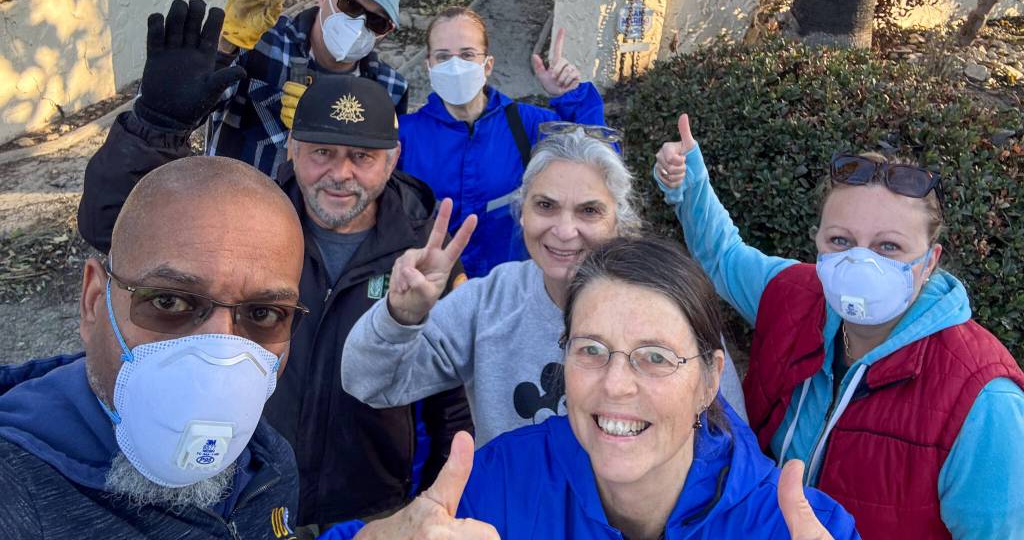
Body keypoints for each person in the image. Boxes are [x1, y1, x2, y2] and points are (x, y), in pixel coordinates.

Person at [77, 0, 471, 530]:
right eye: (321, 154)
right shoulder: (245, 224)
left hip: (371, 504)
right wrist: (155, 127)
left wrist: (438, 499)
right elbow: (110, 227)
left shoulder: (426, 253)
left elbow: (451, 402)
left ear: (393, 160)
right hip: (243, 487)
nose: (340, 175)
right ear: (291, 147)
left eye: (362, 157)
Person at [0, 157, 496, 540]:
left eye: (262, 314)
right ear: (93, 302)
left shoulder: (267, 465)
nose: (219, 348)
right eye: (170, 301)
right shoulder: (18, 490)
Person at [653, 113, 1024, 539]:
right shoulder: (794, 297)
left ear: (930, 262)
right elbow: (724, 256)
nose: (861, 264)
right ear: (819, 243)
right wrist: (688, 181)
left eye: (889, 246)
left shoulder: (985, 402)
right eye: (841, 241)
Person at [343, 128, 747, 446]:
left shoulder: (669, 306)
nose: (564, 230)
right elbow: (370, 383)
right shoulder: (489, 303)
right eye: (545, 206)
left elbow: (728, 441)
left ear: (619, 224)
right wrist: (401, 316)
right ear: (522, 216)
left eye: (589, 210)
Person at [452, 237, 859, 540]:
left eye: (656, 357)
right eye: (591, 349)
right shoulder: (498, 484)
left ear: (709, 381)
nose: (615, 384)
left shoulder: (796, 528)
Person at [395, 7, 607, 278]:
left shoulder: (527, 125)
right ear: (429, 66)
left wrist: (572, 98)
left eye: (468, 54)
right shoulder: (406, 135)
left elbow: (600, 163)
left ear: (488, 65)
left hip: (508, 293)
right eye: (443, 57)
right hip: (430, 294)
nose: (455, 65)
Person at [208, 0, 409, 178]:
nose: (359, 25)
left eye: (377, 22)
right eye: (350, 5)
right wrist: (224, 48)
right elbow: (195, 107)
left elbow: (381, 171)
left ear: (387, 31)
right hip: (231, 202)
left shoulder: (389, 88)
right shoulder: (260, 40)